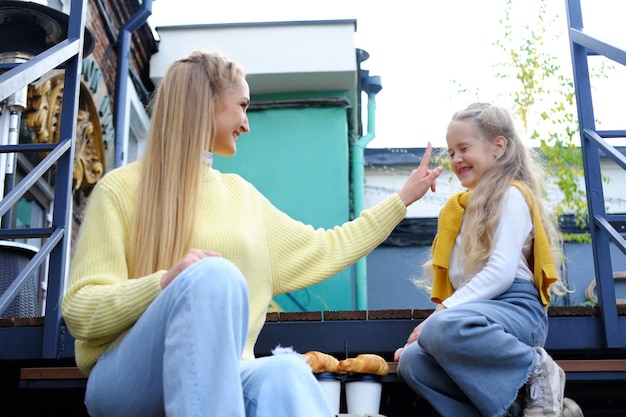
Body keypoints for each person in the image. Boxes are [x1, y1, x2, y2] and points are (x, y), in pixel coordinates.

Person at [61, 50, 443, 417]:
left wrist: (402, 200)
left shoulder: (243, 199)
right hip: (127, 378)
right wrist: (163, 285)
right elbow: (80, 309)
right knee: (214, 275)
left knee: (286, 372)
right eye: (242, 105)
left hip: (227, 379)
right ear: (205, 103)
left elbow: (329, 246)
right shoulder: (119, 190)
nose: (247, 123)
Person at [394, 102, 572, 417]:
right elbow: (458, 301)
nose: (455, 158)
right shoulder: (460, 210)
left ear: (498, 147)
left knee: (440, 328)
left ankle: (537, 369)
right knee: (412, 362)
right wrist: (429, 336)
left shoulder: (511, 195)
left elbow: (501, 273)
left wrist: (438, 318)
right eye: (450, 153)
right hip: (477, 314)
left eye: (464, 148)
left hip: (516, 310)